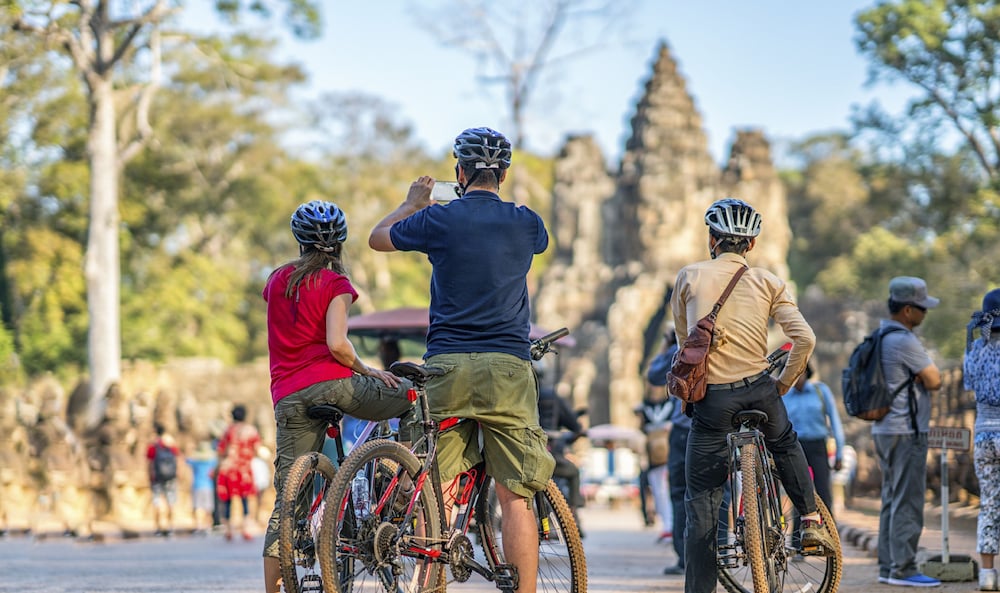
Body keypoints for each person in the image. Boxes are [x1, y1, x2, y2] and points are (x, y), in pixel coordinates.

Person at [369, 126, 555, 593]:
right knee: (516, 497)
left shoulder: (439, 218)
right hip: (507, 369)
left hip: (446, 366)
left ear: (459, 172)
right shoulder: (527, 222)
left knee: (435, 491)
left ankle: (429, 582)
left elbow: (377, 239)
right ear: (503, 174)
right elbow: (539, 244)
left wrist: (412, 203)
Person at [670, 197, 834, 593]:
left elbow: (684, 345)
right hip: (761, 391)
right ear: (752, 244)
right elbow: (805, 339)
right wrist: (782, 385)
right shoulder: (768, 281)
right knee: (785, 442)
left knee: (703, 503)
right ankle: (810, 520)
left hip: (713, 401)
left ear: (712, 239)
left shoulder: (689, 276)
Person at [261, 200, 418, 593]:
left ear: (300, 241)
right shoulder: (335, 284)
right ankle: (403, 485)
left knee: (287, 504)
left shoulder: (277, 280)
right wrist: (368, 370)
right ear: (340, 242)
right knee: (412, 396)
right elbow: (337, 344)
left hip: (288, 396)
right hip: (335, 384)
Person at [872, 276, 943, 587]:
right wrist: (922, 375)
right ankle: (904, 569)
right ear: (907, 310)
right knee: (909, 501)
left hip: (884, 429)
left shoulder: (879, 336)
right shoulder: (904, 340)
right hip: (906, 430)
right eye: (922, 308)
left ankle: (888, 566)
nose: (925, 313)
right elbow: (935, 380)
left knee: (892, 497)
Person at [646, 330, 731, 577]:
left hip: (685, 432)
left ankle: (686, 559)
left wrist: (667, 344)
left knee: (681, 493)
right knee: (718, 490)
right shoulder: (720, 347)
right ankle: (721, 553)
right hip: (716, 427)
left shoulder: (681, 350)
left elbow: (654, 375)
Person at [783, 361, 846, 539]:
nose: (797, 378)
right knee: (799, 493)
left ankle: (830, 538)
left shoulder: (820, 391)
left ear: (806, 372)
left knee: (824, 492)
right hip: (796, 447)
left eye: (800, 373)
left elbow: (835, 422)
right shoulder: (785, 396)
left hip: (818, 445)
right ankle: (798, 541)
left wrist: (839, 453)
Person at [965, 288, 1000, 591]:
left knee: (989, 503)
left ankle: (988, 575)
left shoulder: (975, 349)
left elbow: (970, 387)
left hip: (983, 436)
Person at [535, 360, 585, 530]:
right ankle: (573, 515)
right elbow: (575, 425)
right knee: (573, 472)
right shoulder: (552, 397)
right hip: (549, 453)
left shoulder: (518, 396)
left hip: (520, 454)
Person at [640, 331, 678, 544]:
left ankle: (670, 526)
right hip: (661, 446)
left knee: (665, 487)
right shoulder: (650, 403)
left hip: (667, 443)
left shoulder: (667, 357)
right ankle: (670, 526)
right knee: (662, 487)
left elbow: (653, 373)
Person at [216, 404, 261, 542]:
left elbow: (221, 450)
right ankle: (245, 528)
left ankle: (228, 529)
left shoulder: (228, 430)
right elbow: (257, 448)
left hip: (228, 468)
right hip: (244, 469)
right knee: (245, 498)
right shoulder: (251, 430)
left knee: (227, 500)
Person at [146, 423, 179, 537]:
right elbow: (177, 459)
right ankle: (170, 526)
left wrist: (150, 476)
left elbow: (149, 463)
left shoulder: (153, 446)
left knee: (157, 501)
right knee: (171, 501)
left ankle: (159, 527)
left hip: (157, 477)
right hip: (171, 477)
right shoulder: (171, 444)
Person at [186, 440, 218, 534]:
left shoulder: (196, 462)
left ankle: (198, 525)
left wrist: (190, 449)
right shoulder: (211, 461)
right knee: (208, 507)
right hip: (208, 486)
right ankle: (208, 526)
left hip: (197, 485)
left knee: (197, 506)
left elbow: (187, 460)